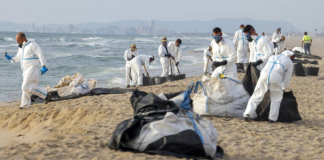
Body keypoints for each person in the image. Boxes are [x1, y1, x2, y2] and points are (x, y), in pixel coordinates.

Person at [243, 50, 295, 123]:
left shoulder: (273, 57)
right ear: (291, 56)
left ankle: (247, 114)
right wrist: (283, 88)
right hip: (276, 77)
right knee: (276, 98)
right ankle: (272, 118)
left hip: (264, 75)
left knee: (257, 95)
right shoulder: (289, 62)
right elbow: (287, 77)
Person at [4, 32, 50, 109]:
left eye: (18, 40)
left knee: (25, 86)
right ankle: (43, 96)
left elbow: (40, 54)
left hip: (32, 69)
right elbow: (19, 58)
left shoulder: (32, 45)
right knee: (29, 88)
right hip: (25, 70)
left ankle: (28, 104)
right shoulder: (21, 47)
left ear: (23, 38)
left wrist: (43, 65)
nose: (17, 42)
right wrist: (11, 58)